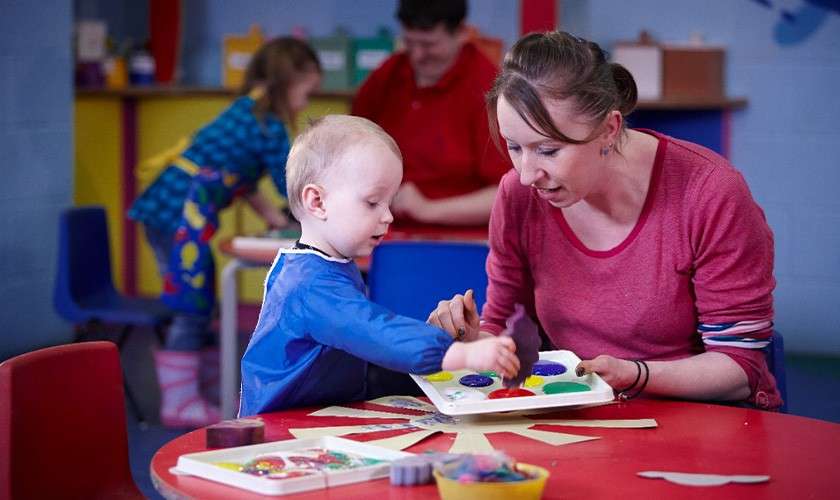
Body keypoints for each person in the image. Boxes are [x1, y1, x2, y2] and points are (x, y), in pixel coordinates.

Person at [428, 31, 782, 410]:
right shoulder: (518, 193)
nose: (528, 174)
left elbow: (739, 367)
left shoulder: (709, 192)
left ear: (609, 130)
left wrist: (636, 373)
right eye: (514, 147)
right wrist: (471, 342)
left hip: (699, 418)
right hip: (579, 411)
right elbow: (505, 325)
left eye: (548, 150)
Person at [238, 115, 519, 416]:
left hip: (314, 411)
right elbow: (373, 330)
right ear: (317, 202)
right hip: (279, 430)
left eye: (389, 202)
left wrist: (438, 340)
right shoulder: (309, 283)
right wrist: (461, 354)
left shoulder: (327, 265)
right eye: (373, 203)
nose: (388, 216)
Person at [128, 37, 322, 427]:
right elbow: (291, 179)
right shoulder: (267, 125)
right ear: (288, 82)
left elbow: (244, 181)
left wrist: (273, 217)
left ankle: (206, 392)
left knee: (199, 300)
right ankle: (179, 402)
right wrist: (315, 210)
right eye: (306, 92)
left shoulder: (248, 111)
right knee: (191, 304)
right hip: (175, 214)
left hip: (175, 211)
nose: (305, 102)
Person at [351, 0, 510, 227]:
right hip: (382, 233)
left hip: (458, 242)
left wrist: (427, 210)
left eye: (428, 45)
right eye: (409, 43)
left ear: (463, 33)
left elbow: (508, 194)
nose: (416, 55)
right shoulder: (389, 74)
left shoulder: (488, 88)